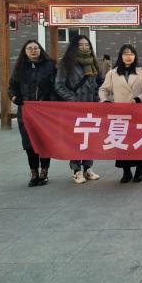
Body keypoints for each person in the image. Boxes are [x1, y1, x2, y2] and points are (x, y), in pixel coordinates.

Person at [99, 44, 142, 183]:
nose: (128, 57)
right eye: (125, 54)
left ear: (135, 56)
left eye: (131, 54)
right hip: (121, 114)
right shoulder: (113, 73)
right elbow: (103, 89)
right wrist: (105, 100)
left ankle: (139, 171)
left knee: (138, 142)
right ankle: (126, 171)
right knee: (122, 142)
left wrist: (139, 98)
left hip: (138, 112)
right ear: (121, 56)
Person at [8, 40, 56, 187]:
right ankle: (34, 172)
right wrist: (15, 98)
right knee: (29, 143)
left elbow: (56, 86)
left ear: (40, 50)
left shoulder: (50, 66)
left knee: (44, 141)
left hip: (45, 112)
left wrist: (51, 101)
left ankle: (44, 172)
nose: (33, 50)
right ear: (25, 51)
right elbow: (12, 87)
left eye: (36, 48)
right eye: (30, 48)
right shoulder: (20, 68)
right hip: (26, 111)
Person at [55, 35, 102, 184]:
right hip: (73, 108)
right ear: (74, 46)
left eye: (87, 45)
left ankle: (88, 168)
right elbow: (59, 85)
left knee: (89, 138)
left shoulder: (93, 63)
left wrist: (97, 97)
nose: (84, 47)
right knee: (74, 139)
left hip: (90, 107)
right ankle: (76, 170)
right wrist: (73, 99)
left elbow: (99, 83)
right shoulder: (66, 64)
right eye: (81, 45)